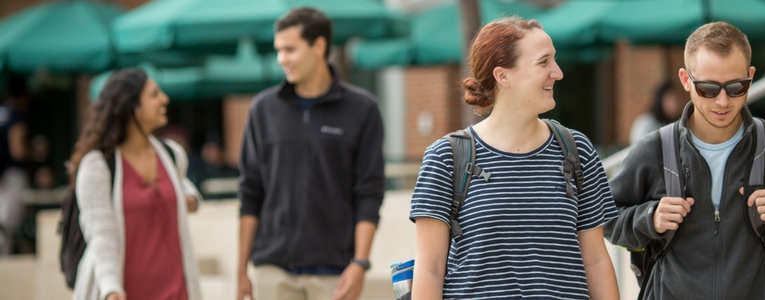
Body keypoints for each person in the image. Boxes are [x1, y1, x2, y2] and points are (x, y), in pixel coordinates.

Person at [603, 21, 765, 299]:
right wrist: (650, 218)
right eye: (708, 89)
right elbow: (606, 217)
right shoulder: (654, 149)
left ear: (751, 76)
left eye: (736, 87)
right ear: (686, 80)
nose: (722, 101)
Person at [409, 16, 620, 300]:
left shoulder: (577, 150)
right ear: (503, 76)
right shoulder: (446, 158)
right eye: (543, 62)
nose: (557, 72)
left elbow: (595, 260)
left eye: (554, 60)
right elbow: (430, 270)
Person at [237, 7, 385, 300]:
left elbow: (369, 192)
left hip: (335, 273)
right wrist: (241, 271)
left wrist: (360, 263)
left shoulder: (362, 110)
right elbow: (250, 191)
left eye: (290, 49)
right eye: (279, 50)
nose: (282, 59)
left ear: (318, 46)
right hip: (272, 271)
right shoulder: (263, 110)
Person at [68, 68, 203, 300]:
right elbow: (100, 234)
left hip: (177, 291)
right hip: (125, 293)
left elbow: (181, 183)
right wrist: (111, 288)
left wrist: (190, 198)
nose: (164, 99)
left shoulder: (172, 154)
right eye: (154, 94)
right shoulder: (97, 166)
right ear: (131, 107)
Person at [0, 81, 28, 256]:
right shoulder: (15, 117)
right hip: (12, 172)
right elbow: (17, 151)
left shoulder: (2, 112)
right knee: (9, 221)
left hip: (2, 173)